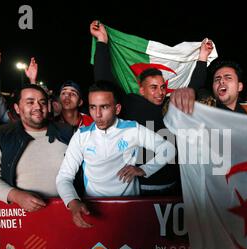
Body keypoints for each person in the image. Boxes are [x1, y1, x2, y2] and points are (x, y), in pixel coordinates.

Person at [91, 20, 212, 195]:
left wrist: (202, 57)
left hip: (174, 187)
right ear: (141, 90)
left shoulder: (172, 105)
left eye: (163, 87)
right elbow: (103, 81)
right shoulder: (130, 104)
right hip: (140, 189)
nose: (160, 92)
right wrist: (102, 41)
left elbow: (193, 88)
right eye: (153, 87)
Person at [56, 81, 176, 228]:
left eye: (104, 107)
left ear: (117, 108)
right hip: (93, 208)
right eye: (93, 107)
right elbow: (64, 177)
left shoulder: (132, 129)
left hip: (130, 207)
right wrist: (72, 201)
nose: (97, 114)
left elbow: (168, 149)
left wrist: (145, 169)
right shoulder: (81, 135)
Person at [0, 84, 74, 212]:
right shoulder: (1, 135)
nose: (38, 107)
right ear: (17, 108)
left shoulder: (68, 133)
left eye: (42, 102)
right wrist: (16, 196)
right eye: (30, 102)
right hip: (21, 215)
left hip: (66, 212)